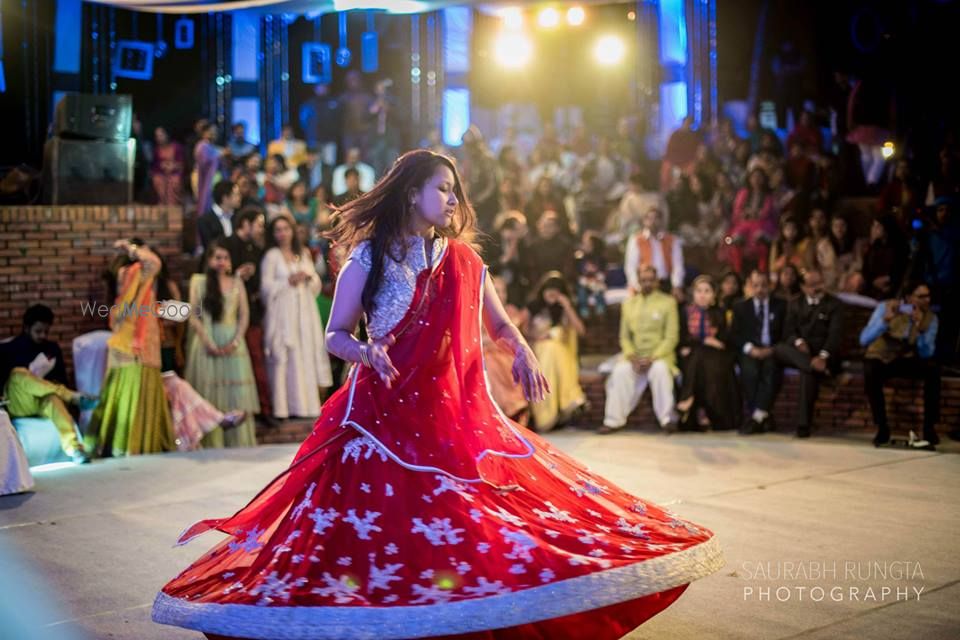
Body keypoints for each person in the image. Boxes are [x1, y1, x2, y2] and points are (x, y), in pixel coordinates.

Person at [153, 149, 723, 639]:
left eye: (455, 191)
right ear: (410, 194)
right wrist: (364, 352)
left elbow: (499, 326)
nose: (452, 200)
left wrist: (521, 349)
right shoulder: (369, 258)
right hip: (379, 420)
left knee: (482, 529)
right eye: (442, 188)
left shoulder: (464, 261)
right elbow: (335, 335)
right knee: (357, 542)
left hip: (452, 418)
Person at [88, 240, 175, 457]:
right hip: (133, 343)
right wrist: (131, 247)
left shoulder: (135, 276)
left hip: (136, 342)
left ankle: (125, 447)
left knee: (130, 393)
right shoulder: (134, 272)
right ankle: (130, 447)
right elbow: (154, 262)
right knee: (130, 395)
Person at [185, 240, 261, 447]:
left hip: (233, 344)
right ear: (209, 260)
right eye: (217, 257)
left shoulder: (237, 283)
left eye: (225, 258)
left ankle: (236, 442)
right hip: (206, 341)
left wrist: (235, 341)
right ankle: (212, 442)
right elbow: (193, 315)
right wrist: (208, 342)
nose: (222, 262)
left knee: (235, 394)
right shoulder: (198, 281)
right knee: (209, 393)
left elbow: (244, 315)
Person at [0, 305, 96, 463]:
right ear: (26, 328)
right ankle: (73, 397)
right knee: (19, 373)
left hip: (39, 400)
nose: (43, 335)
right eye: (38, 331)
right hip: (17, 402)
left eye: (46, 331)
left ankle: (74, 449)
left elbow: (61, 379)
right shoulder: (10, 349)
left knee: (52, 397)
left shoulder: (51, 349)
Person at [260, 214, 333, 419]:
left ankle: (306, 407)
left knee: (304, 355)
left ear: (292, 231)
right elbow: (265, 289)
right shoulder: (271, 256)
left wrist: (309, 278)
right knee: (284, 356)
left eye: (285, 228)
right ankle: (283, 408)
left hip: (304, 313)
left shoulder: (302, 253)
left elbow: (316, 284)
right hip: (283, 313)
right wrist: (288, 281)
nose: (282, 233)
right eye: (278, 230)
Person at [600, 265, 680, 434]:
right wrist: (632, 356)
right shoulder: (629, 304)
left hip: (660, 356)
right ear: (638, 281)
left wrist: (653, 357)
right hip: (634, 357)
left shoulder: (668, 302)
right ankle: (613, 421)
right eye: (644, 280)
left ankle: (667, 420)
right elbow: (624, 337)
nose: (647, 284)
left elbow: (671, 337)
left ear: (657, 281)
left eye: (651, 280)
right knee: (620, 372)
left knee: (660, 371)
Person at [860, 282, 940, 448]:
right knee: (870, 370)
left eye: (928, 296)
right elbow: (864, 339)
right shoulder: (885, 307)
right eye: (921, 296)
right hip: (881, 357)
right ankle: (882, 427)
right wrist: (884, 321)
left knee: (933, 370)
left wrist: (919, 327)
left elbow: (926, 353)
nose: (927, 300)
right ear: (909, 297)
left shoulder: (931, 319)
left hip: (904, 359)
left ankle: (929, 428)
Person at [774, 269, 844, 438]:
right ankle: (814, 366)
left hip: (823, 354)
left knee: (807, 373)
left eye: (820, 283)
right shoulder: (795, 303)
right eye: (812, 285)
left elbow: (835, 335)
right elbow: (788, 332)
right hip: (802, 353)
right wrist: (798, 342)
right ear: (803, 287)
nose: (817, 288)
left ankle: (803, 425)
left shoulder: (834, 304)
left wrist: (823, 356)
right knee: (778, 349)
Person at [223, 207, 275, 426]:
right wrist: (236, 276)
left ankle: (262, 410)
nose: (261, 229)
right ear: (245, 224)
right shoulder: (225, 245)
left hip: (252, 313)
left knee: (256, 360)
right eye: (259, 224)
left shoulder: (256, 248)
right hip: (228, 314)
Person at [674, 276, 741, 431]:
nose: (702, 295)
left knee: (703, 358)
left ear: (713, 295)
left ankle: (687, 398)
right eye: (699, 291)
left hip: (716, 356)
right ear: (693, 293)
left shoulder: (720, 312)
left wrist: (704, 343)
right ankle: (704, 412)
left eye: (707, 291)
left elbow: (724, 340)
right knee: (698, 355)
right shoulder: (685, 311)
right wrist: (704, 341)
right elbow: (682, 337)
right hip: (693, 354)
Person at [524, 272, 587, 431]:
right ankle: (565, 405)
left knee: (553, 349)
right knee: (549, 350)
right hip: (538, 349)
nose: (552, 295)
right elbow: (521, 331)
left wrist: (567, 306)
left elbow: (580, 331)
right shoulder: (533, 306)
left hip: (560, 351)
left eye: (556, 292)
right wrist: (539, 336)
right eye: (549, 291)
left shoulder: (563, 308)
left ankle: (551, 414)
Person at [732, 270, 786, 434]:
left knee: (771, 370)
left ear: (770, 286)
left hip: (772, 350)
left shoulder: (781, 305)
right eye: (756, 285)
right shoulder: (741, 306)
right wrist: (750, 349)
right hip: (750, 350)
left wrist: (773, 349)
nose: (760, 289)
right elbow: (735, 334)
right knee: (750, 372)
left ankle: (755, 418)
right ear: (750, 286)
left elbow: (787, 331)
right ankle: (763, 416)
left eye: (763, 285)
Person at [624, 207, 685, 298]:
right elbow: (631, 267)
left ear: (661, 221)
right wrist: (637, 286)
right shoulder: (636, 240)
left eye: (656, 218)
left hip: (665, 283)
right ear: (644, 221)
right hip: (644, 283)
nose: (653, 221)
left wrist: (676, 285)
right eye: (649, 218)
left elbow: (678, 266)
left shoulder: (672, 240)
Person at [197, 180, 241, 251]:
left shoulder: (237, 217)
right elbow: (209, 246)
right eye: (236, 195)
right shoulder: (205, 220)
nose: (239, 198)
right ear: (225, 198)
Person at [149, 126, 185, 206]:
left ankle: (173, 206)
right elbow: (154, 166)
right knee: (158, 180)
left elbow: (181, 164)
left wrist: (173, 166)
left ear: (167, 135)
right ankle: (162, 204)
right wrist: (162, 166)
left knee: (175, 181)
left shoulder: (176, 147)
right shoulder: (156, 150)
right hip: (161, 174)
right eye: (157, 136)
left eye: (161, 135)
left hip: (175, 172)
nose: (159, 138)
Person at [192, 123, 222, 219]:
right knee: (205, 205)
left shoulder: (212, 147)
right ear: (204, 133)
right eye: (210, 131)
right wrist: (220, 155)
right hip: (204, 181)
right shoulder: (202, 146)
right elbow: (204, 162)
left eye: (215, 131)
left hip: (213, 181)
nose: (213, 134)